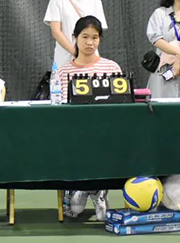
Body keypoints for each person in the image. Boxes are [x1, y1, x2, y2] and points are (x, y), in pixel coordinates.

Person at [55, 16, 122, 221]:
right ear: (75, 38)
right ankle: (82, 188)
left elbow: (121, 106)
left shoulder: (112, 68)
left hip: (105, 133)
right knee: (74, 211)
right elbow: (59, 109)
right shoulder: (63, 72)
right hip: (74, 134)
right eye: (85, 37)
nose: (89, 42)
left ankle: (97, 191)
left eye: (94, 37)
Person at [44, 0, 108, 70]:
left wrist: (86, 53)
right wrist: (75, 52)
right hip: (64, 59)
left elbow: (97, 31)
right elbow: (56, 31)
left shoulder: (94, 0)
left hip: (90, 58)